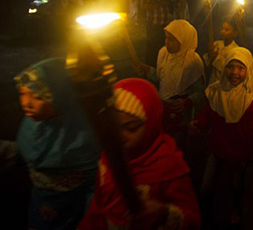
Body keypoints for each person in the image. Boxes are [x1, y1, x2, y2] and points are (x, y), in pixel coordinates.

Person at [79, 78, 201, 230]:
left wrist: (164, 213)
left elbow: (193, 219)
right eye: (114, 127)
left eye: (131, 128)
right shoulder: (109, 157)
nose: (120, 135)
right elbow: (98, 206)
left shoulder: (168, 164)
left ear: (151, 124)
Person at [14, 58, 100, 230]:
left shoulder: (83, 138)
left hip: (75, 212)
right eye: (22, 93)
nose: (26, 103)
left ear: (60, 97)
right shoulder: (31, 125)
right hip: (40, 207)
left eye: (38, 96)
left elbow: (94, 187)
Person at [190, 47, 253, 228]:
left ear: (249, 70)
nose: (235, 73)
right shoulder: (215, 91)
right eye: (231, 67)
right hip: (217, 147)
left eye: (241, 68)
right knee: (206, 187)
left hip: (239, 152)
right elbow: (208, 114)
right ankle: (203, 216)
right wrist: (198, 123)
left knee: (236, 185)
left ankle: (235, 209)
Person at [135, 20, 205, 152]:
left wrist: (187, 101)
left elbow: (200, 92)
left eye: (172, 39)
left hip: (181, 113)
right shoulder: (163, 54)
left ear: (184, 40)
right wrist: (148, 70)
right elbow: (162, 78)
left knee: (178, 145)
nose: (167, 42)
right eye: (166, 38)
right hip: (164, 108)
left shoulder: (193, 61)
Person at [141, 0, 172, 66]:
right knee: (152, 48)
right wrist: (159, 4)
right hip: (153, 26)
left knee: (161, 47)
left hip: (164, 24)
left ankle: (159, 67)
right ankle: (149, 68)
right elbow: (143, 5)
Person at [203, 18, 239, 85]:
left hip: (226, 85)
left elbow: (230, 69)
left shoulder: (236, 50)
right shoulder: (216, 44)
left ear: (235, 33)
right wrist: (209, 54)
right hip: (212, 83)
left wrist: (216, 57)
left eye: (227, 30)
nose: (223, 31)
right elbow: (208, 64)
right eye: (222, 29)